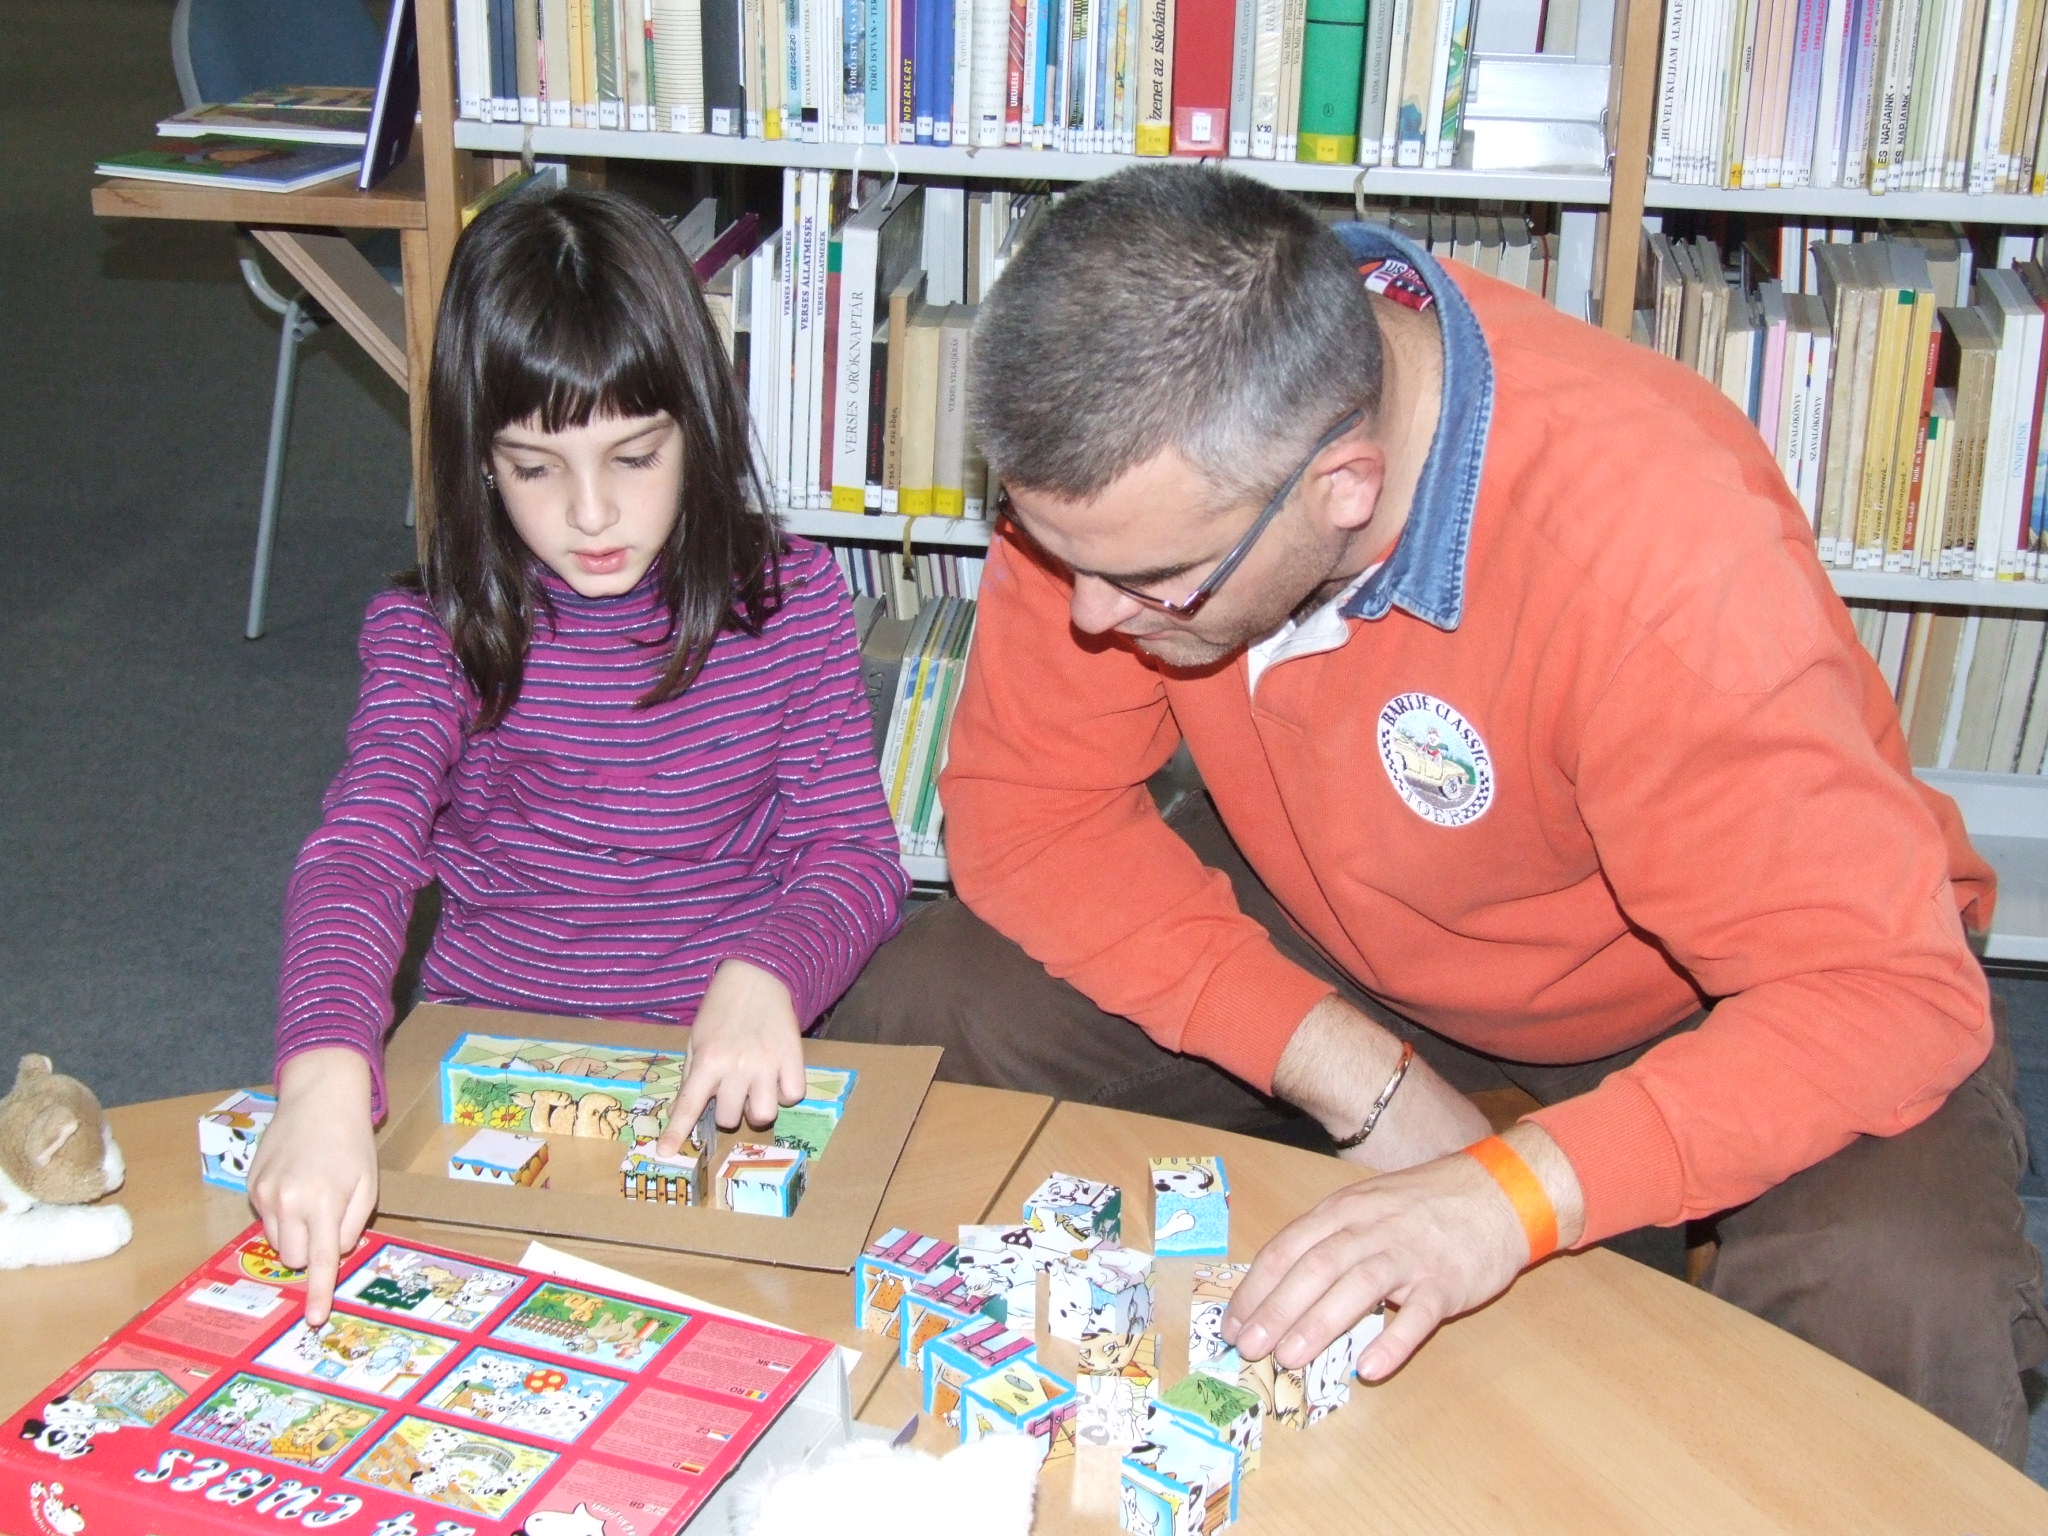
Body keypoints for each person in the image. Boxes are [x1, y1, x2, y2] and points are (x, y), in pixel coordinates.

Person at [827, 165, 2048, 1462]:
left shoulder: (1661, 556)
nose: (1085, 617)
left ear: (1344, 487)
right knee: (924, 1007)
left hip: (1709, 987)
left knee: (1900, 1284)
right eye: (1051, 553)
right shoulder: (1140, 472)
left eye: (1151, 585)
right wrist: (1355, 1076)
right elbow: (1031, 818)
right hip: (1329, 904)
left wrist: (1508, 1194)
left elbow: (1880, 992)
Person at [251, 188, 907, 1321]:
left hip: (725, 1069)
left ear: (697, 424)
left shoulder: (791, 600)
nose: (592, 514)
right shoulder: (435, 629)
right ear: (478, 460)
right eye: (535, 469)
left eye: (634, 457)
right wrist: (320, 1071)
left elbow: (853, 853)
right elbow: (362, 847)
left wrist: (772, 968)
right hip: (494, 1055)